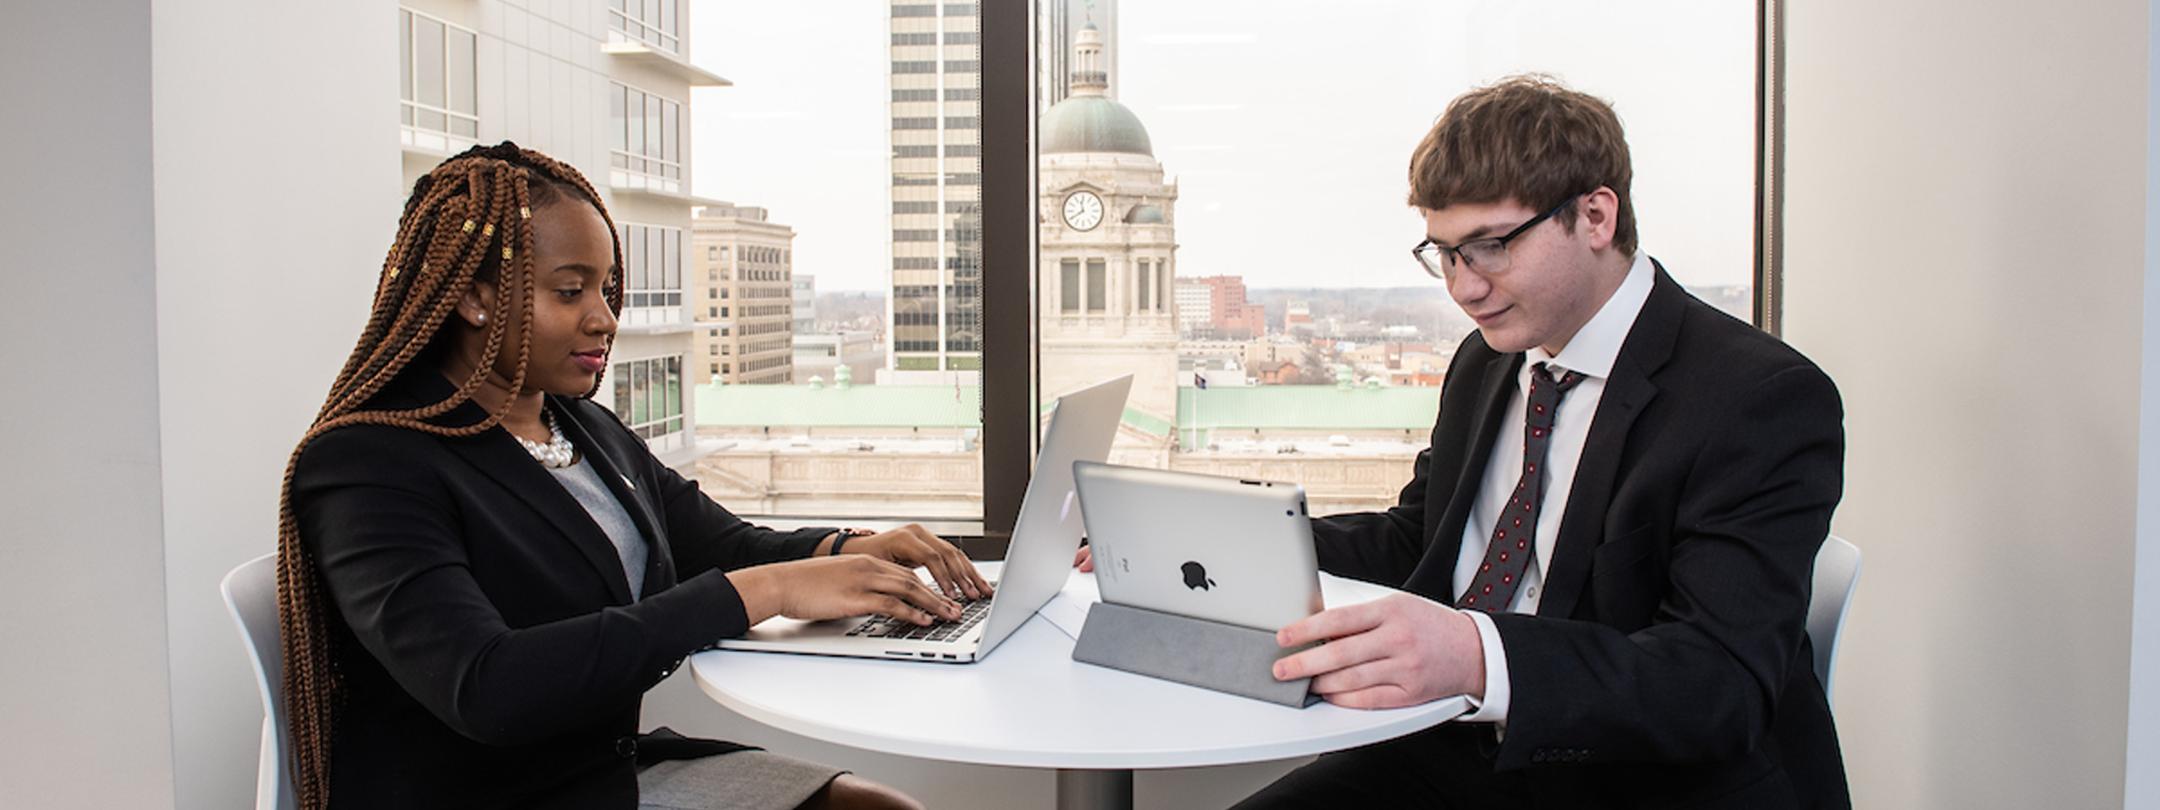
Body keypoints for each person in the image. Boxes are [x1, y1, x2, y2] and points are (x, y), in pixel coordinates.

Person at [1079, 75, 1848, 807]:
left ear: (1596, 217)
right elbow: (1421, 540)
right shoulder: (1490, 360)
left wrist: (1477, 656)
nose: (1463, 286)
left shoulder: (1758, 399)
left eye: (1491, 245)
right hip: (1458, 750)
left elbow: (1717, 683)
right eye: (1444, 253)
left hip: (1639, 780)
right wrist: (1229, 540)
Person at [279, 143, 992, 810]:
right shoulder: (369, 464)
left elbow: (723, 547)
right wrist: (766, 591)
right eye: (570, 292)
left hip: (604, 768)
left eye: (607, 288)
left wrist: (846, 551)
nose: (605, 317)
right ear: (474, 297)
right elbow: (487, 686)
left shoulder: (581, 427)